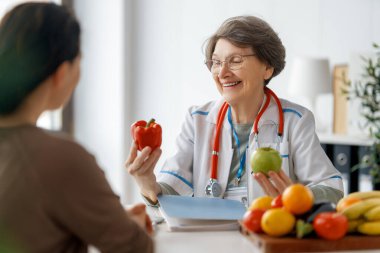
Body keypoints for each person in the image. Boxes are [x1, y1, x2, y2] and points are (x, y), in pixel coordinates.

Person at [126, 15, 344, 206]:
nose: (222, 73)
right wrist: (148, 185)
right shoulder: (197, 120)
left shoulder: (296, 120)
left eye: (235, 60)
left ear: (267, 67)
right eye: (216, 62)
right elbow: (171, 192)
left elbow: (332, 189)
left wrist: (295, 197)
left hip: (268, 238)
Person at [0, 3, 153, 253]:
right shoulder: (58, 158)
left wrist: (106, 217)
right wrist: (130, 226)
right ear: (62, 73)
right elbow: (135, 248)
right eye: (79, 61)